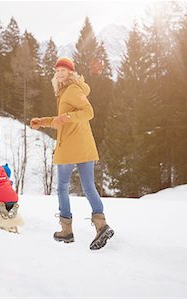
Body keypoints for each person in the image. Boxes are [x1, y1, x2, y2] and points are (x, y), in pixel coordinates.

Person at [30, 57, 114, 250]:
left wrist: (66, 117)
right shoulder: (66, 91)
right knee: (88, 187)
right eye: (57, 71)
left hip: (71, 147)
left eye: (63, 71)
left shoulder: (73, 90)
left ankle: (66, 230)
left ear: (71, 73)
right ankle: (101, 225)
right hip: (82, 146)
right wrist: (42, 122)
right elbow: (62, 120)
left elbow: (88, 112)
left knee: (62, 187)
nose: (59, 73)